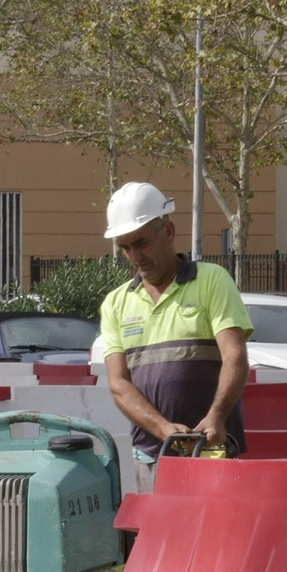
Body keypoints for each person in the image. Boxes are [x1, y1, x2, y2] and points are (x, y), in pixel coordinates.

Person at [97, 182, 252, 492]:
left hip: (214, 454)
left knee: (214, 540)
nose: (134, 256)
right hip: (151, 458)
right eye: (125, 247)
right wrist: (163, 429)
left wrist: (216, 417)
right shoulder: (116, 303)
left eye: (140, 243)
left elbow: (235, 356)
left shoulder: (212, 281)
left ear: (168, 231)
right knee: (159, 541)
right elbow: (118, 384)